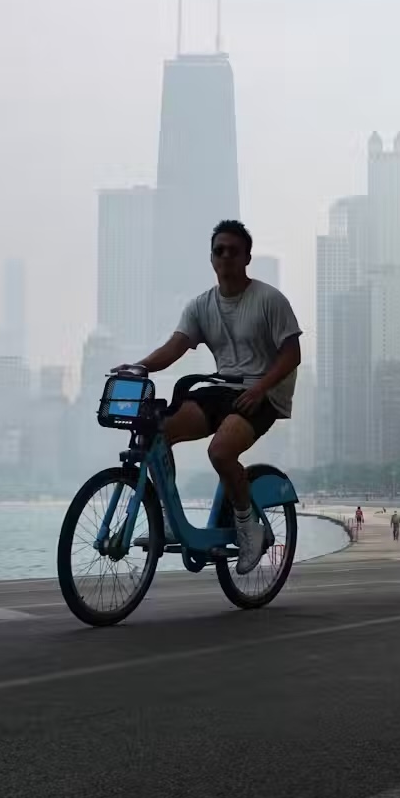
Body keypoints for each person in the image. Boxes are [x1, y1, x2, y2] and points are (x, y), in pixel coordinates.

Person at [115, 219, 302, 575]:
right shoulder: (201, 306)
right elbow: (175, 347)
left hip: (263, 393)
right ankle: (170, 521)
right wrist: (137, 368)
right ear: (211, 258)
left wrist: (260, 388)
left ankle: (249, 527)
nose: (226, 256)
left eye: (234, 251)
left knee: (220, 451)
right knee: (157, 431)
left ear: (247, 257)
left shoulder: (269, 300)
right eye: (220, 251)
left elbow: (291, 354)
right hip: (221, 388)